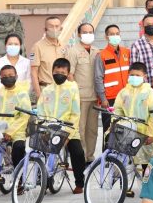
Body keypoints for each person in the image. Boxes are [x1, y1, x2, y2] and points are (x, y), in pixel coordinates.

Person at [37, 57, 85, 193]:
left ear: (68, 73)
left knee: (77, 152)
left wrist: (68, 135)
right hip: (49, 128)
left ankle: (79, 183)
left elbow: (75, 114)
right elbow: (40, 111)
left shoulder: (72, 88)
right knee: (39, 151)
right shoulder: (47, 90)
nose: (59, 75)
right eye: (57, 72)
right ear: (52, 72)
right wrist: (43, 127)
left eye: (63, 73)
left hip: (68, 129)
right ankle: (44, 180)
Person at [111, 61, 153, 187]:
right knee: (124, 161)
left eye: (138, 75)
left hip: (145, 134)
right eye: (132, 75)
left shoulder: (149, 93)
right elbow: (117, 111)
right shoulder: (123, 92)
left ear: (144, 76)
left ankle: (148, 187)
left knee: (146, 163)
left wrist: (151, 133)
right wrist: (117, 126)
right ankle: (125, 187)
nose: (134, 77)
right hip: (127, 132)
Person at [65, 22, 100, 163]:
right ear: (79, 34)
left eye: (90, 32)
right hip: (80, 97)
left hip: (94, 97)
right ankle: (81, 157)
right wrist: (74, 95)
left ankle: (90, 157)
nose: (88, 34)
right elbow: (70, 74)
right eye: (85, 32)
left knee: (92, 129)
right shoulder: (73, 51)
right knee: (80, 129)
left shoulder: (97, 51)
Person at [0, 63, 31, 169]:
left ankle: (18, 176)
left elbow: (25, 116)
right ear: (0, 78)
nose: (7, 78)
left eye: (10, 75)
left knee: (18, 148)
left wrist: (10, 132)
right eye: (4, 76)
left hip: (17, 132)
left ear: (16, 76)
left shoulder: (22, 94)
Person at [94, 23, 130, 131]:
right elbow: (98, 78)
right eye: (112, 34)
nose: (115, 36)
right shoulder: (101, 55)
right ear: (106, 37)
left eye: (117, 34)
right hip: (109, 98)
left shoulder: (127, 52)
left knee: (125, 128)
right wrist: (103, 99)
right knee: (108, 129)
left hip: (126, 96)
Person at [29, 16, 66, 99]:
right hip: (46, 91)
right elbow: (33, 72)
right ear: (45, 29)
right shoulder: (37, 47)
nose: (54, 29)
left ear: (61, 28)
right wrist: (39, 94)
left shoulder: (63, 46)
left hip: (62, 90)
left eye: (57, 26)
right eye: (51, 26)